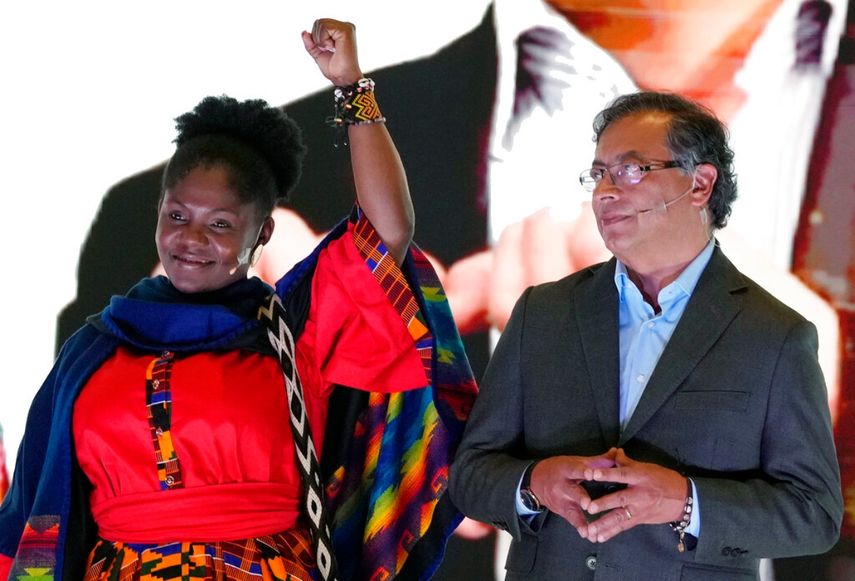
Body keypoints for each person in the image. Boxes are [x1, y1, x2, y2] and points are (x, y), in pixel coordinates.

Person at [0, 18, 475, 581]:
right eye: (178, 215)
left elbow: (386, 233)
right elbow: (37, 510)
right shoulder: (94, 348)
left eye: (220, 224)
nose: (191, 238)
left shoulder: (293, 332)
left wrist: (353, 87)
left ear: (262, 233)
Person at [448, 91, 843, 579]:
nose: (605, 191)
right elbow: (470, 475)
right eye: (599, 174)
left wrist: (685, 502)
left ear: (699, 184)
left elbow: (813, 514)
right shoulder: (542, 313)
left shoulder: (776, 335)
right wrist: (532, 484)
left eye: (631, 170)